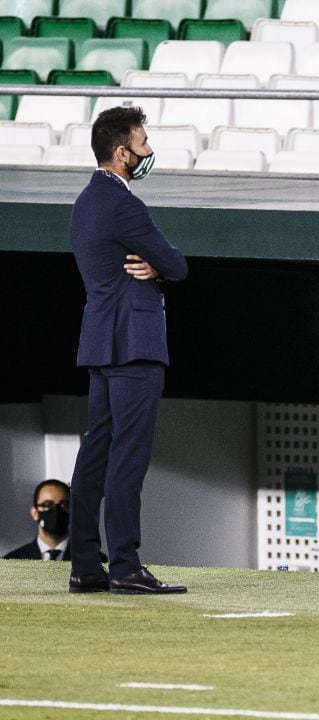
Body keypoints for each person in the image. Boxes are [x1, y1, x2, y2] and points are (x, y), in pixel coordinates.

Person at [67, 106, 189, 595]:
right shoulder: (125, 205)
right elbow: (176, 266)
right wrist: (160, 270)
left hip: (99, 340)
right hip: (134, 346)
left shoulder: (84, 201)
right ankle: (124, 564)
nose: (148, 151)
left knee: (95, 452)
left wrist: (154, 268)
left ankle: (84, 565)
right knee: (127, 458)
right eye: (143, 143)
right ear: (122, 152)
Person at [3, 480, 72, 561]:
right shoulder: (11, 562)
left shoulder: (88, 558)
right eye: (48, 504)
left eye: (64, 504)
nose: (57, 511)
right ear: (35, 513)